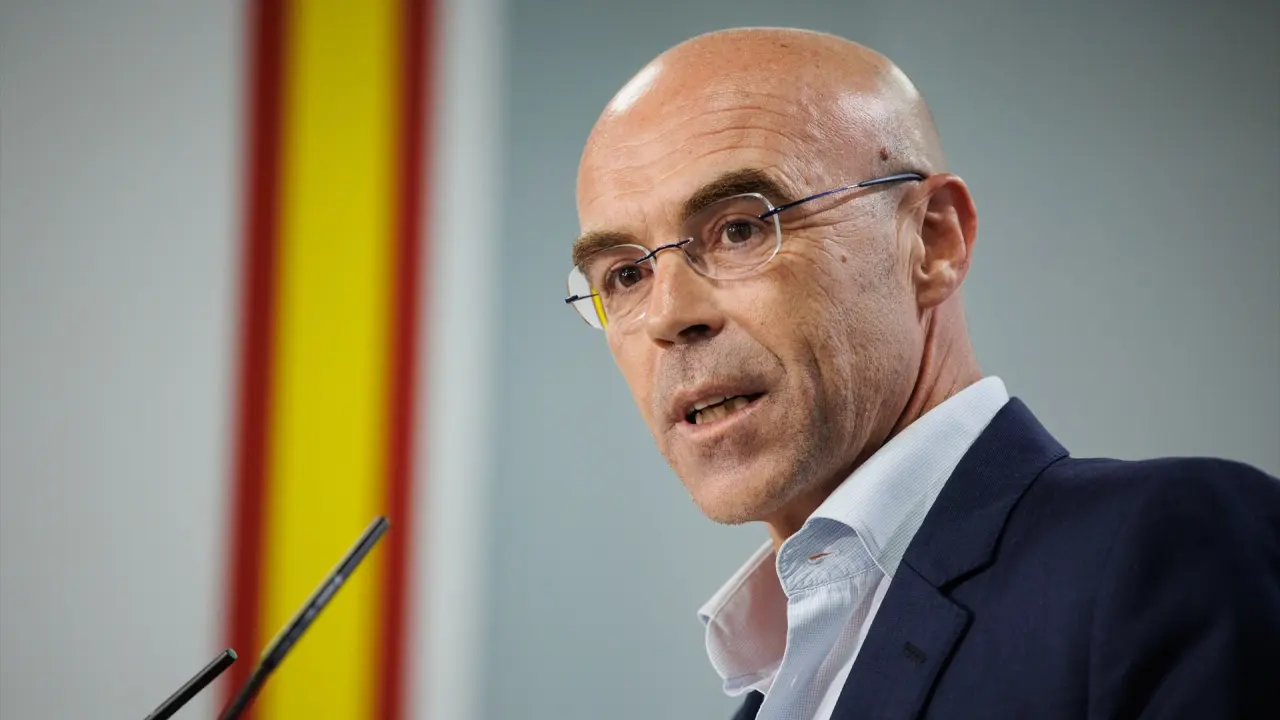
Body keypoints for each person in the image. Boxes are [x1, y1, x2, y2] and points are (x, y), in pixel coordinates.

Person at [563, 26, 1279, 720]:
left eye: (741, 229)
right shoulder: (780, 678)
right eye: (625, 274)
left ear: (934, 239)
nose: (667, 316)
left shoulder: (1168, 550)